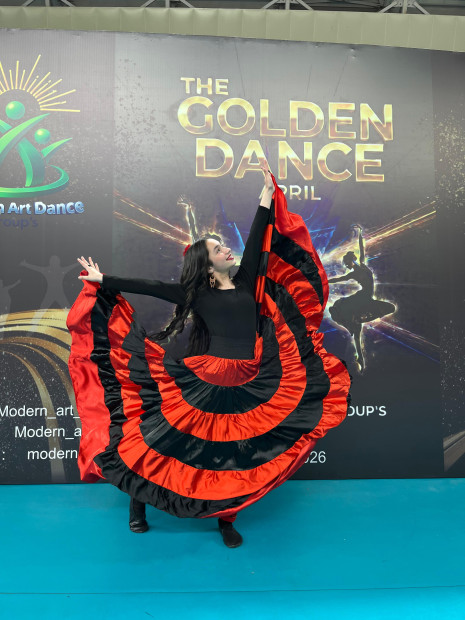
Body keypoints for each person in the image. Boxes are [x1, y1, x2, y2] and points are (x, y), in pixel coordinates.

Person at [67, 168, 350, 548]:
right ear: (208, 265)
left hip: (250, 379)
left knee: (232, 456)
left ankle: (226, 517)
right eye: (218, 249)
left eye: (223, 247)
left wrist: (266, 198)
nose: (226, 250)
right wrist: (104, 280)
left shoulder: (247, 281)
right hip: (209, 379)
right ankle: (138, 503)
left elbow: (257, 240)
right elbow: (151, 287)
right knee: (163, 440)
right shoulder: (197, 294)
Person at [328, 225, 396, 372]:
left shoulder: (362, 265)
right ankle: (360, 356)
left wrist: (359, 233)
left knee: (390, 308)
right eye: (347, 264)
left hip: (366, 299)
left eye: (347, 263)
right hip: (361, 299)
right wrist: (326, 281)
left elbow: (361, 247)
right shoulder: (353, 273)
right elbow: (339, 279)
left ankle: (359, 350)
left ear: (351, 261)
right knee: (356, 330)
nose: (347, 266)